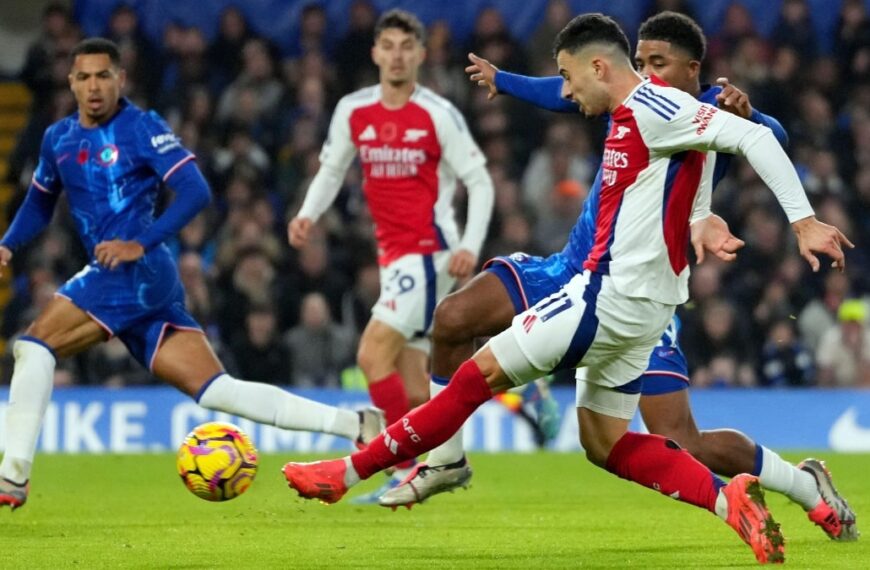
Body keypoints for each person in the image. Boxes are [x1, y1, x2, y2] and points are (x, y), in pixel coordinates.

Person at [284, 14, 854, 564]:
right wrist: (702, 215)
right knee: (601, 442)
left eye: (569, 74)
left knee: (471, 383)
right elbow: (684, 167)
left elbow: (760, 137)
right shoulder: (643, 111)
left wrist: (802, 221)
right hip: (630, 304)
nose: (567, 90)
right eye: (643, 60)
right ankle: (729, 499)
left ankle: (348, 471)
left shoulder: (661, 109)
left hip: (601, 296)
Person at [0, 38, 385, 510]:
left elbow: (194, 190)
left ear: (121, 79)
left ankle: (12, 474)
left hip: (134, 269)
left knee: (35, 344)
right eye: (85, 77)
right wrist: (8, 243)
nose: (95, 86)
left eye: (104, 75)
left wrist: (141, 240)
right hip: (134, 280)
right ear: (71, 82)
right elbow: (40, 201)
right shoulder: (57, 138)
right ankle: (357, 424)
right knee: (218, 391)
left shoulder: (142, 128)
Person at [287, 10, 494, 501]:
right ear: (376, 52)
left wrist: (469, 245)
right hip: (395, 258)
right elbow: (332, 169)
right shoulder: (353, 110)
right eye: (389, 46)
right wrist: (308, 213)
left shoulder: (437, 113)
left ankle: (402, 464)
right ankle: (450, 455)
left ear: (420, 54)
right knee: (414, 385)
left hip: (428, 253)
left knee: (370, 353)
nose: (397, 55)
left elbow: (480, 180)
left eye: (407, 46)